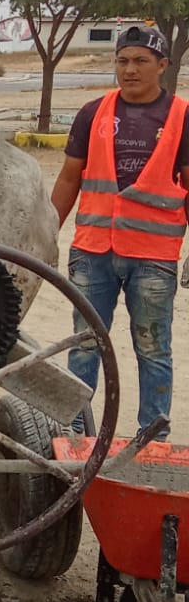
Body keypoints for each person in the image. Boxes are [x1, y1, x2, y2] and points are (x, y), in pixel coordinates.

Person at [51, 25, 189, 439]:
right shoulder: (93, 113)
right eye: (123, 61)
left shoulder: (182, 118)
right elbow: (68, 179)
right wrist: (46, 231)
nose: (129, 70)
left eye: (140, 61)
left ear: (162, 66)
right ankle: (76, 432)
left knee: (152, 347)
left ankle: (153, 437)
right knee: (85, 344)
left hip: (153, 256)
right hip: (93, 252)